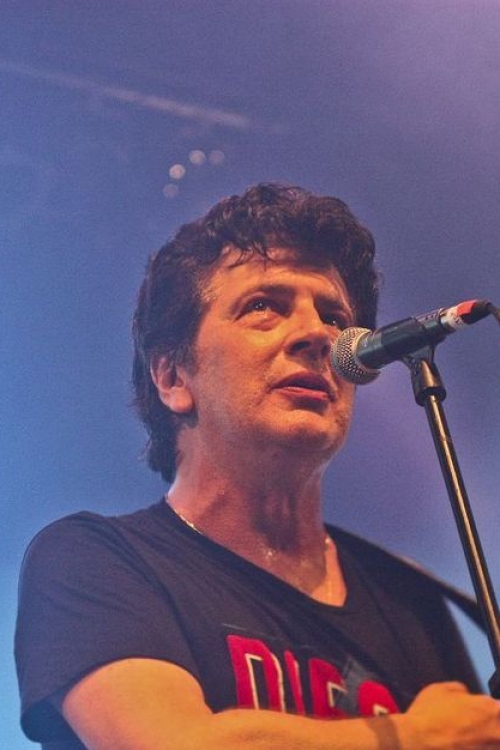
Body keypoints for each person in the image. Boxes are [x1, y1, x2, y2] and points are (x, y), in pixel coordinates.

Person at [15, 183, 500, 750]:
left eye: (334, 317)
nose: (318, 335)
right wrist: (418, 735)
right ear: (172, 377)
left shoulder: (409, 600)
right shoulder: (95, 563)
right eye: (263, 306)